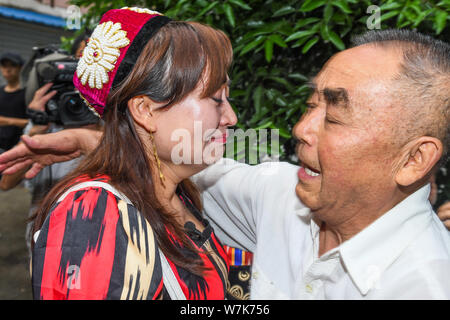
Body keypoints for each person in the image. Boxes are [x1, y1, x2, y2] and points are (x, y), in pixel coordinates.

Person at [1, 29, 449, 299]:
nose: (299, 130)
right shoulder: (98, 215)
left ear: (414, 159)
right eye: (310, 105)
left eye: (332, 116)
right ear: (144, 110)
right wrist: (95, 138)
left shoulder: (425, 284)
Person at [21, 7, 237, 300]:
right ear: (145, 111)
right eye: (215, 99)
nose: (231, 117)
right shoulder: (92, 216)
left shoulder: (179, 191)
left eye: (228, 98)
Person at [0, 52, 28, 153]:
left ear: (20, 68)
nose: (8, 69)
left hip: (17, 148)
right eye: (4, 66)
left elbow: (33, 123)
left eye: (12, 65)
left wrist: (7, 121)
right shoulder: (1, 91)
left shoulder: (27, 93)